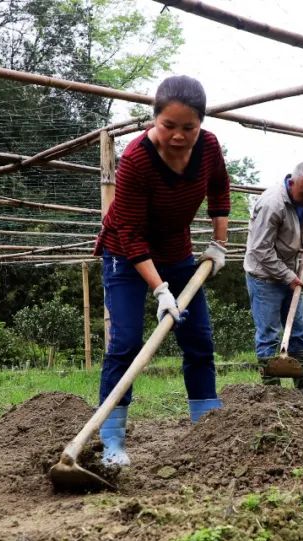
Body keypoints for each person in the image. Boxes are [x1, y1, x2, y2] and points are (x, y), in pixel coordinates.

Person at [93, 75, 230, 467]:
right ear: (154, 120)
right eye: (168, 125)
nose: (178, 135)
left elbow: (220, 188)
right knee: (125, 345)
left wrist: (218, 243)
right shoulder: (136, 160)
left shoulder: (208, 147)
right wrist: (160, 291)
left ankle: (207, 428)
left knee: (199, 341)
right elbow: (132, 235)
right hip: (125, 255)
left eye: (188, 127)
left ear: (200, 124)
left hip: (177, 252)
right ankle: (112, 440)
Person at [244, 161, 303, 405]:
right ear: (292, 183)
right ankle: (273, 399)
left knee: (299, 333)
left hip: (291, 273)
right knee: (268, 335)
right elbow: (260, 250)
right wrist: (288, 277)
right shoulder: (271, 204)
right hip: (264, 276)